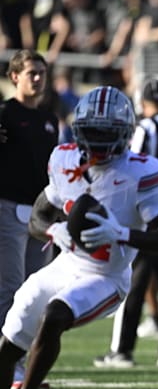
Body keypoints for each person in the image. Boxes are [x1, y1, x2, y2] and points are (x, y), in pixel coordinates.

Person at [0, 85, 158, 389]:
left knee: (54, 314)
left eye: (106, 132)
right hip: (67, 264)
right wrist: (53, 230)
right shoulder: (63, 160)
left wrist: (124, 234)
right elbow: (38, 215)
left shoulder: (140, 171)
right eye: (92, 131)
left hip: (107, 276)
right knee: (11, 335)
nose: (98, 141)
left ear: (125, 132)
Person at [93, 77, 158, 369]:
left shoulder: (146, 128)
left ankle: (122, 350)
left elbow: (130, 163)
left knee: (135, 280)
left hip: (148, 207)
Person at [0, 49, 58, 387]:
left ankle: (24, 367)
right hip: (9, 209)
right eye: (31, 73)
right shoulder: (6, 114)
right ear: (14, 77)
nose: (37, 78)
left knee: (38, 293)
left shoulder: (50, 119)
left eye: (41, 72)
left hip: (41, 215)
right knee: (9, 291)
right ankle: (11, 368)